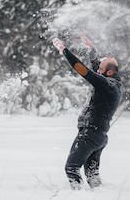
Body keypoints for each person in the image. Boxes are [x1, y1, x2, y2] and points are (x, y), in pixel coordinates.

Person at [52, 34, 122, 190]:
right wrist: (92, 49)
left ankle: (78, 198)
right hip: (99, 136)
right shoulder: (113, 83)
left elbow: (83, 70)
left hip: (90, 134)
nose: (97, 69)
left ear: (108, 73)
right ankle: (101, 197)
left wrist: (64, 50)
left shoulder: (106, 84)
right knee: (92, 175)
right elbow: (97, 67)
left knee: (71, 168)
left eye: (100, 69)